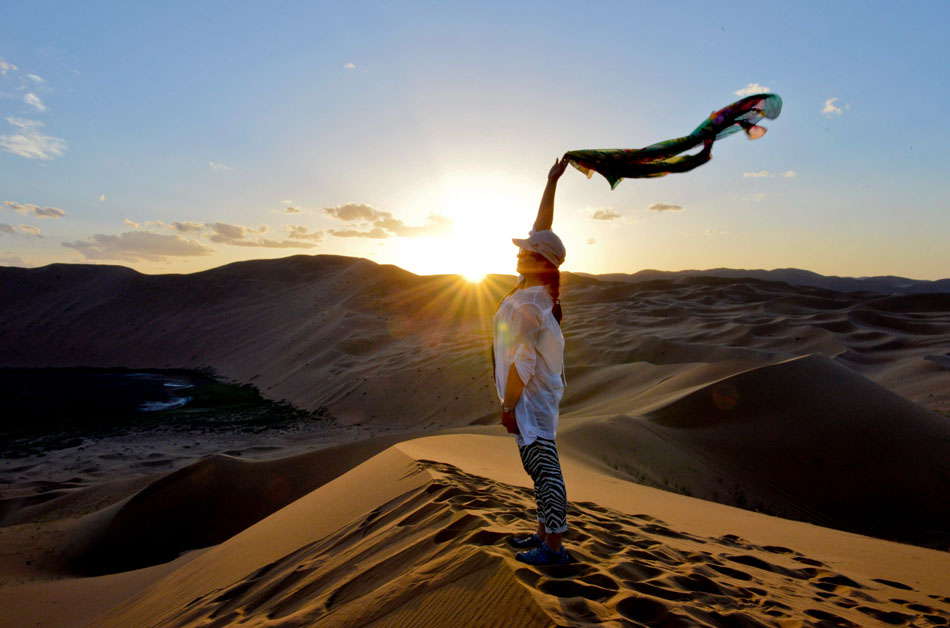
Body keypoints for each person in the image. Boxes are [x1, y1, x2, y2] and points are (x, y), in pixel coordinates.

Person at [493, 156, 572, 565]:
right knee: (537, 468)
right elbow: (541, 228)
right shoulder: (530, 291)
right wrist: (551, 182)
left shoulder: (531, 307)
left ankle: (554, 548)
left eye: (526, 253)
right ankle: (544, 535)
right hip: (530, 397)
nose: (518, 255)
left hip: (530, 398)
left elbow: (522, 363)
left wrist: (509, 406)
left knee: (545, 470)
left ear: (540, 264)